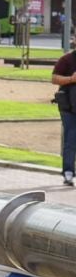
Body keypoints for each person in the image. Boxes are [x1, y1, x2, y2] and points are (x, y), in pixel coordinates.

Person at [53, 43, 76, 186]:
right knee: (70, 139)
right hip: (69, 106)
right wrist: (71, 79)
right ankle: (68, 172)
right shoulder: (66, 60)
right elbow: (54, 78)